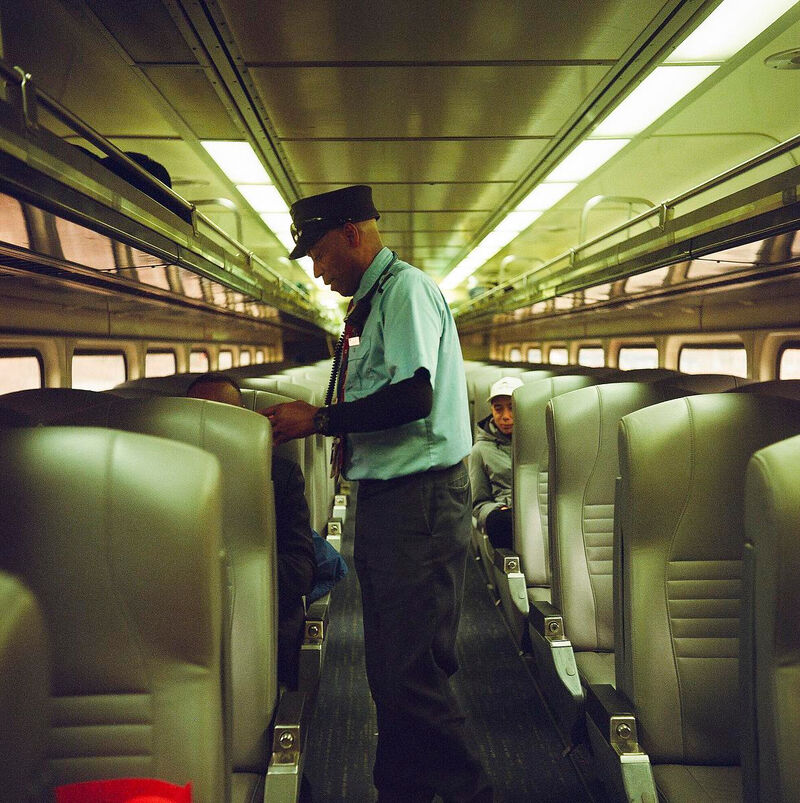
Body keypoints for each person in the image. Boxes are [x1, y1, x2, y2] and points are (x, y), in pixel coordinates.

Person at [262, 185, 493, 802]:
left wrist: (317, 420)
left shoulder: (407, 292)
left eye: (317, 251)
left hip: (419, 502)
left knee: (411, 677)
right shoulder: (373, 303)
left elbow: (414, 395)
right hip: (394, 504)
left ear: (353, 234)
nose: (315, 267)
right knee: (391, 673)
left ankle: (473, 792)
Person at [185, 372, 316, 690]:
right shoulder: (160, 482)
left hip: (258, 616)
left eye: (225, 420)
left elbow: (301, 571)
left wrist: (228, 576)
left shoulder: (278, 477)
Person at [469, 376, 523, 550]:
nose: (505, 417)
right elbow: (478, 505)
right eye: (498, 409)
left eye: (512, 408)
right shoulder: (480, 450)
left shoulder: (541, 443)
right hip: (505, 518)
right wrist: (497, 511)